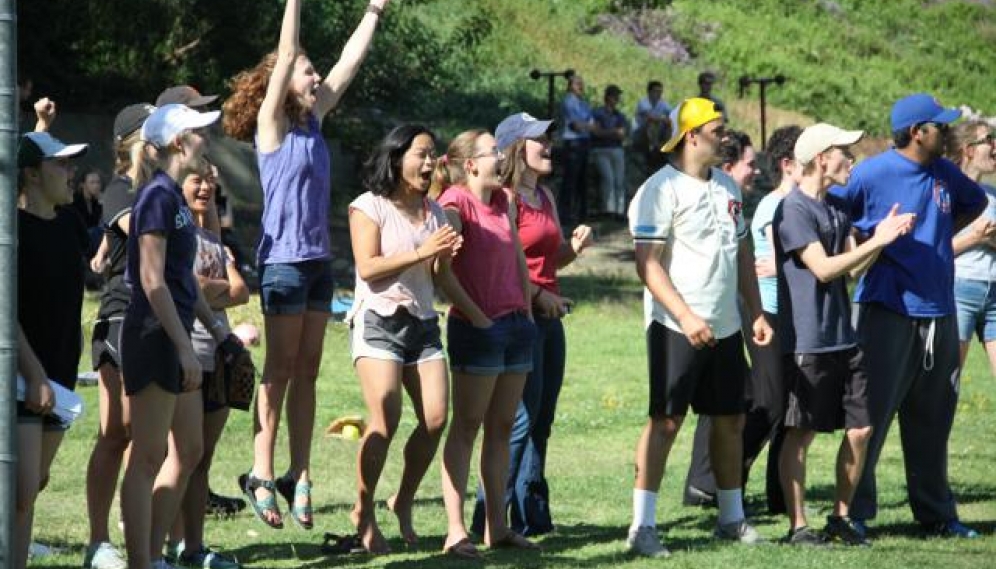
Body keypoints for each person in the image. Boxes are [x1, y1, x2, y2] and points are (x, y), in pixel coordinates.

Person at [223, 0, 392, 530]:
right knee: (277, 371)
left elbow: (348, 63)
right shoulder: (271, 125)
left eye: (314, 72)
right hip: (283, 265)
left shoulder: (315, 120)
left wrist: (374, 12)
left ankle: (300, 472)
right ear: (281, 80)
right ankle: (261, 472)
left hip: (318, 264)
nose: (315, 75)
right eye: (305, 71)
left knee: (309, 372)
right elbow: (289, 49)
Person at [625, 97, 773, 558]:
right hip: (675, 325)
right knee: (666, 421)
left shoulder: (729, 186)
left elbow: (743, 255)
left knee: (729, 419)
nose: (725, 136)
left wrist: (755, 312)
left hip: (726, 327)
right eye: (717, 129)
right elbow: (647, 266)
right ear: (692, 136)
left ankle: (731, 519)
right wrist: (686, 315)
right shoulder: (658, 189)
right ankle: (642, 527)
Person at [834, 93, 985, 539]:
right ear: (918, 132)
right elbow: (836, 215)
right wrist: (866, 247)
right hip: (887, 309)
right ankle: (855, 512)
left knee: (933, 418)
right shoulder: (872, 173)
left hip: (939, 310)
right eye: (941, 126)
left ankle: (936, 514)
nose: (949, 131)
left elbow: (973, 204)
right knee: (871, 417)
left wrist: (936, 236)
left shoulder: (945, 173)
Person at [774, 123, 915, 546]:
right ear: (821, 159)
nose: (851, 160)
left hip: (843, 337)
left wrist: (878, 242)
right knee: (801, 433)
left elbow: (851, 268)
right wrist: (877, 242)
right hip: (808, 341)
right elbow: (822, 269)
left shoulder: (836, 208)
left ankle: (840, 518)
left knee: (861, 430)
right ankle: (799, 526)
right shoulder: (794, 209)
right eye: (844, 153)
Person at [118, 103, 240, 569]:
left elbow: (184, 281)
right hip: (152, 335)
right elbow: (152, 282)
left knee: (189, 449)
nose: (206, 140)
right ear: (177, 143)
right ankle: (141, 562)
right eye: (198, 133)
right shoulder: (156, 197)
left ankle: (153, 553)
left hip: (177, 333)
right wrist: (186, 347)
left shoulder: (176, 200)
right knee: (147, 456)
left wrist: (217, 331)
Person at [469, 112, 593, 538]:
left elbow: (547, 259)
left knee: (542, 418)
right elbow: (506, 262)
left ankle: (532, 513)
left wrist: (571, 252)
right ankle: (492, 516)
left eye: (548, 138)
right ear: (517, 147)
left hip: (549, 317)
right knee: (517, 422)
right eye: (539, 139)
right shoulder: (505, 198)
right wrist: (540, 297)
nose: (548, 145)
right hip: (520, 315)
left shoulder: (544, 195)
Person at [346, 125, 462, 553]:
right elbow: (368, 268)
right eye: (422, 154)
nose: (430, 163)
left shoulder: (435, 212)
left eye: (433, 155)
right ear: (397, 158)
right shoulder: (369, 206)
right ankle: (364, 511)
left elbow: (438, 275)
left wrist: (447, 256)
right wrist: (422, 251)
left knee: (435, 420)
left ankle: (403, 499)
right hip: (379, 321)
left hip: (423, 322)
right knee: (386, 419)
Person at [433, 129, 538, 559]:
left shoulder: (504, 201)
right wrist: (477, 316)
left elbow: (516, 257)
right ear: (471, 164)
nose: (501, 156)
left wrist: (527, 309)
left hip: (516, 326)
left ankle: (498, 526)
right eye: (492, 151)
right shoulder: (454, 204)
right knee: (467, 427)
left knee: (500, 430)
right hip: (478, 331)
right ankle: (456, 530)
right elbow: (441, 273)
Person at [683, 127, 795, 513]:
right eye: (749, 164)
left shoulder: (733, 202)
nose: (754, 172)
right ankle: (715, 478)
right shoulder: (711, 199)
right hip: (720, 309)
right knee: (760, 400)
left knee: (730, 398)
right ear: (728, 166)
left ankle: (708, 484)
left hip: (737, 307)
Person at [167, 161, 250, 568]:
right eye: (196, 180)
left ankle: (193, 548)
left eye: (210, 182)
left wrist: (209, 289)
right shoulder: (177, 236)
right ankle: (168, 542)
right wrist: (215, 290)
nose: (204, 189)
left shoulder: (214, 241)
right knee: (181, 455)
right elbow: (190, 286)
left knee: (202, 459)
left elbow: (241, 292)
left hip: (220, 353)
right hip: (190, 351)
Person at [83, 102, 156, 569]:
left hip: (157, 321)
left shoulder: (160, 190)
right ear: (133, 140)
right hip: (120, 317)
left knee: (147, 437)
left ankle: (139, 533)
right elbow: (144, 229)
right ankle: (97, 540)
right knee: (116, 433)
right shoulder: (119, 190)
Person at [15, 130, 89, 569]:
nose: (70, 171)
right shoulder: (12, 232)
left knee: (34, 483)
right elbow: (8, 314)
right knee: (22, 490)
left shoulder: (70, 224)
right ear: (31, 174)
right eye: (60, 164)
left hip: (60, 375)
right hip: (25, 376)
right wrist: (35, 374)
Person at [947, 121, 996, 373]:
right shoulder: (947, 192)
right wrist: (976, 237)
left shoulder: (992, 193)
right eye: (988, 140)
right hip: (959, 290)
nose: (994, 146)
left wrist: (990, 239)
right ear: (968, 150)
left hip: (995, 292)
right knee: (948, 380)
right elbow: (935, 251)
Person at [590, 84, 630, 219]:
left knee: (619, 180)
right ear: (607, 97)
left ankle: (619, 211)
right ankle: (608, 210)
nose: (616, 99)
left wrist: (608, 132)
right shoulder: (597, 113)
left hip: (617, 149)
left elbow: (623, 134)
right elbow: (596, 132)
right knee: (608, 179)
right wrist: (613, 132)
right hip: (601, 150)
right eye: (614, 96)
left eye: (617, 96)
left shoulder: (620, 115)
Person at [559, 73, 592, 223]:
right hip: (573, 143)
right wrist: (587, 126)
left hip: (584, 142)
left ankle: (581, 214)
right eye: (578, 84)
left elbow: (593, 125)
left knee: (582, 180)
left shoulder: (584, 103)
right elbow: (576, 125)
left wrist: (585, 126)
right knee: (570, 179)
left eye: (582, 83)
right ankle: (565, 214)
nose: (581, 87)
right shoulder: (568, 102)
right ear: (571, 86)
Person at [633, 80, 672, 174]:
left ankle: (666, 147)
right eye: (656, 91)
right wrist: (663, 119)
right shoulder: (643, 102)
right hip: (640, 132)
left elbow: (671, 116)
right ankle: (654, 147)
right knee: (652, 123)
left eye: (660, 92)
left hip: (657, 133)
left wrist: (668, 121)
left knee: (669, 125)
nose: (658, 94)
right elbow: (650, 117)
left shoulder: (662, 103)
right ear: (649, 92)